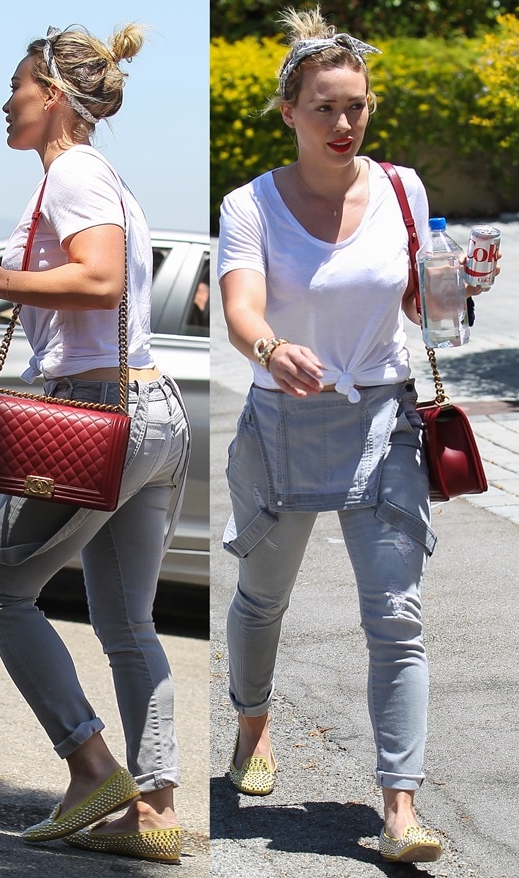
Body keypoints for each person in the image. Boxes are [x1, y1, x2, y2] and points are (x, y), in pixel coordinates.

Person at [218, 5, 489, 865]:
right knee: (264, 599)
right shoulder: (250, 203)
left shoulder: (403, 189)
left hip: (382, 415)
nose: (345, 123)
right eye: (326, 107)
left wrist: (458, 287)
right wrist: (270, 346)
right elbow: (239, 308)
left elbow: (422, 309)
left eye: (358, 106)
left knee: (397, 618)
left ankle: (400, 808)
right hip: (283, 422)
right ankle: (253, 725)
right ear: (290, 111)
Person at [0, 23, 189, 864]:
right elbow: (73, 284)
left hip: (92, 412)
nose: (6, 101)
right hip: (149, 411)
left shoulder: (71, 172)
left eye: (17, 85)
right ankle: (154, 815)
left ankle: (91, 767)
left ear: (55, 97)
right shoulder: (93, 177)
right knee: (129, 624)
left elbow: (100, 279)